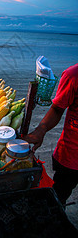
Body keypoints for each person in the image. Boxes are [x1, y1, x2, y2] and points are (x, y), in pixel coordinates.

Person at [24, 63, 78, 204]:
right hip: (72, 157)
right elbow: (58, 108)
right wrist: (41, 130)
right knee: (60, 196)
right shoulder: (73, 75)